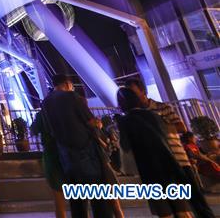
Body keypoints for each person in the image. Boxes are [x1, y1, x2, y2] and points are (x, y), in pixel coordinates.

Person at [127, 80, 213, 218]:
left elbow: (181, 127)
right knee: (178, 205)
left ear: (143, 91)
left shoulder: (162, 107)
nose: (132, 96)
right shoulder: (135, 115)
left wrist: (157, 127)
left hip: (179, 160)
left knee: (196, 200)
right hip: (160, 165)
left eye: (133, 92)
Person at [39, 74, 111, 218]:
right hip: (86, 152)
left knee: (77, 199)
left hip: (66, 155)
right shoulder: (72, 97)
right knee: (98, 197)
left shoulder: (45, 103)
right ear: (67, 84)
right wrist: (98, 124)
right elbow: (90, 121)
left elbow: (49, 128)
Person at [116, 86, 193, 218]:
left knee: (164, 210)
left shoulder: (125, 120)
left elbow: (125, 146)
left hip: (148, 168)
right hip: (168, 163)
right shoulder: (154, 115)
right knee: (182, 208)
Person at [32, 98, 68, 218]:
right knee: (80, 201)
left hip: (52, 157)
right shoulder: (65, 113)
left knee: (59, 201)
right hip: (70, 155)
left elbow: (33, 130)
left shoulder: (42, 115)